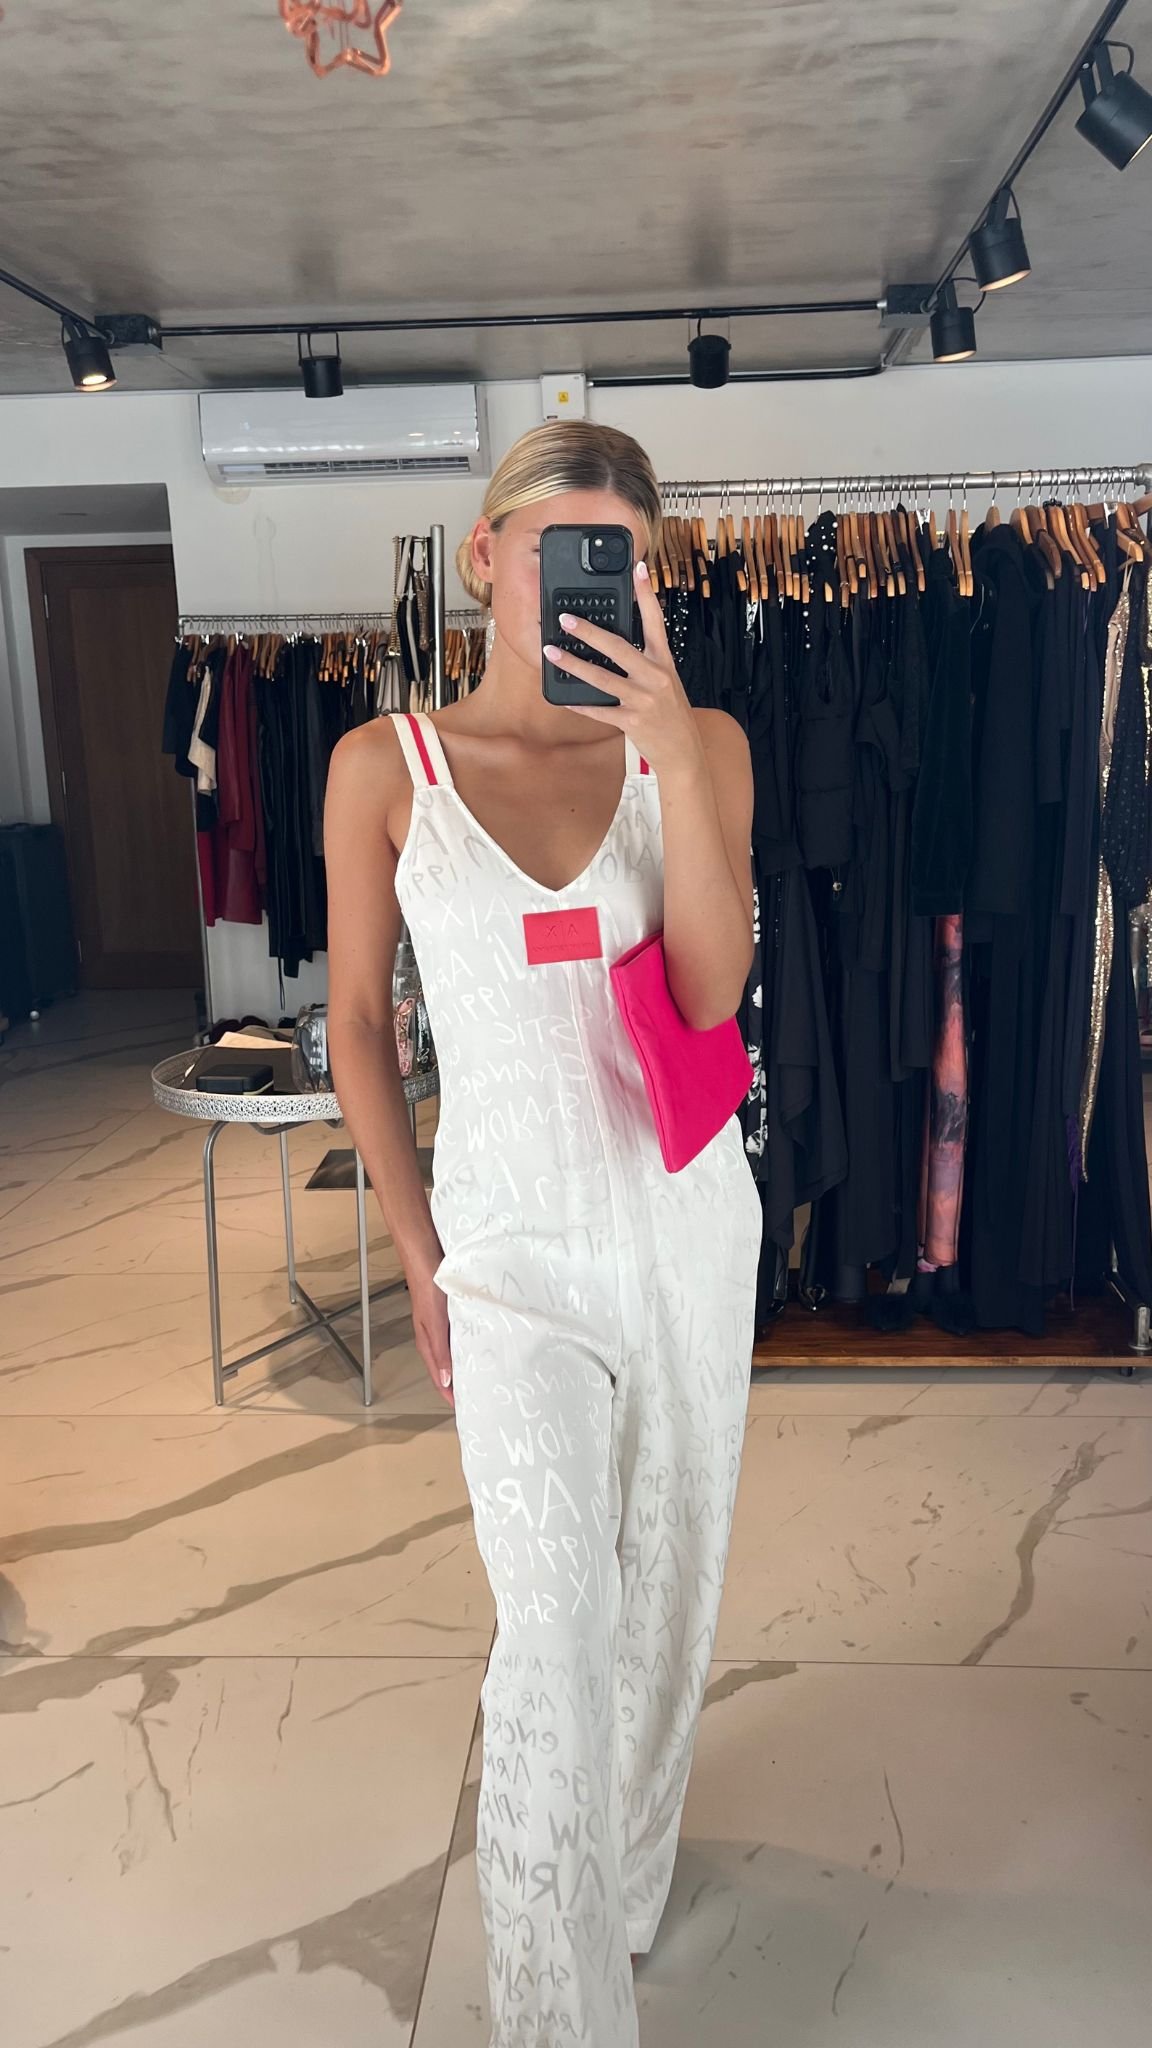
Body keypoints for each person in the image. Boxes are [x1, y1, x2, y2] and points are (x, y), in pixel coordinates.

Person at [324, 420, 763, 2047]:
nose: (588, 579)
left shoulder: (700, 742)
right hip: (511, 1260)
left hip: (686, 1235)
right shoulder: (386, 768)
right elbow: (357, 1024)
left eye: (622, 556)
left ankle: (627, 1883)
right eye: (559, 546)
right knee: (558, 1634)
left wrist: (670, 759)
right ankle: (554, 2019)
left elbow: (711, 994)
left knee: (667, 1605)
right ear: (489, 554)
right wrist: (415, 1248)